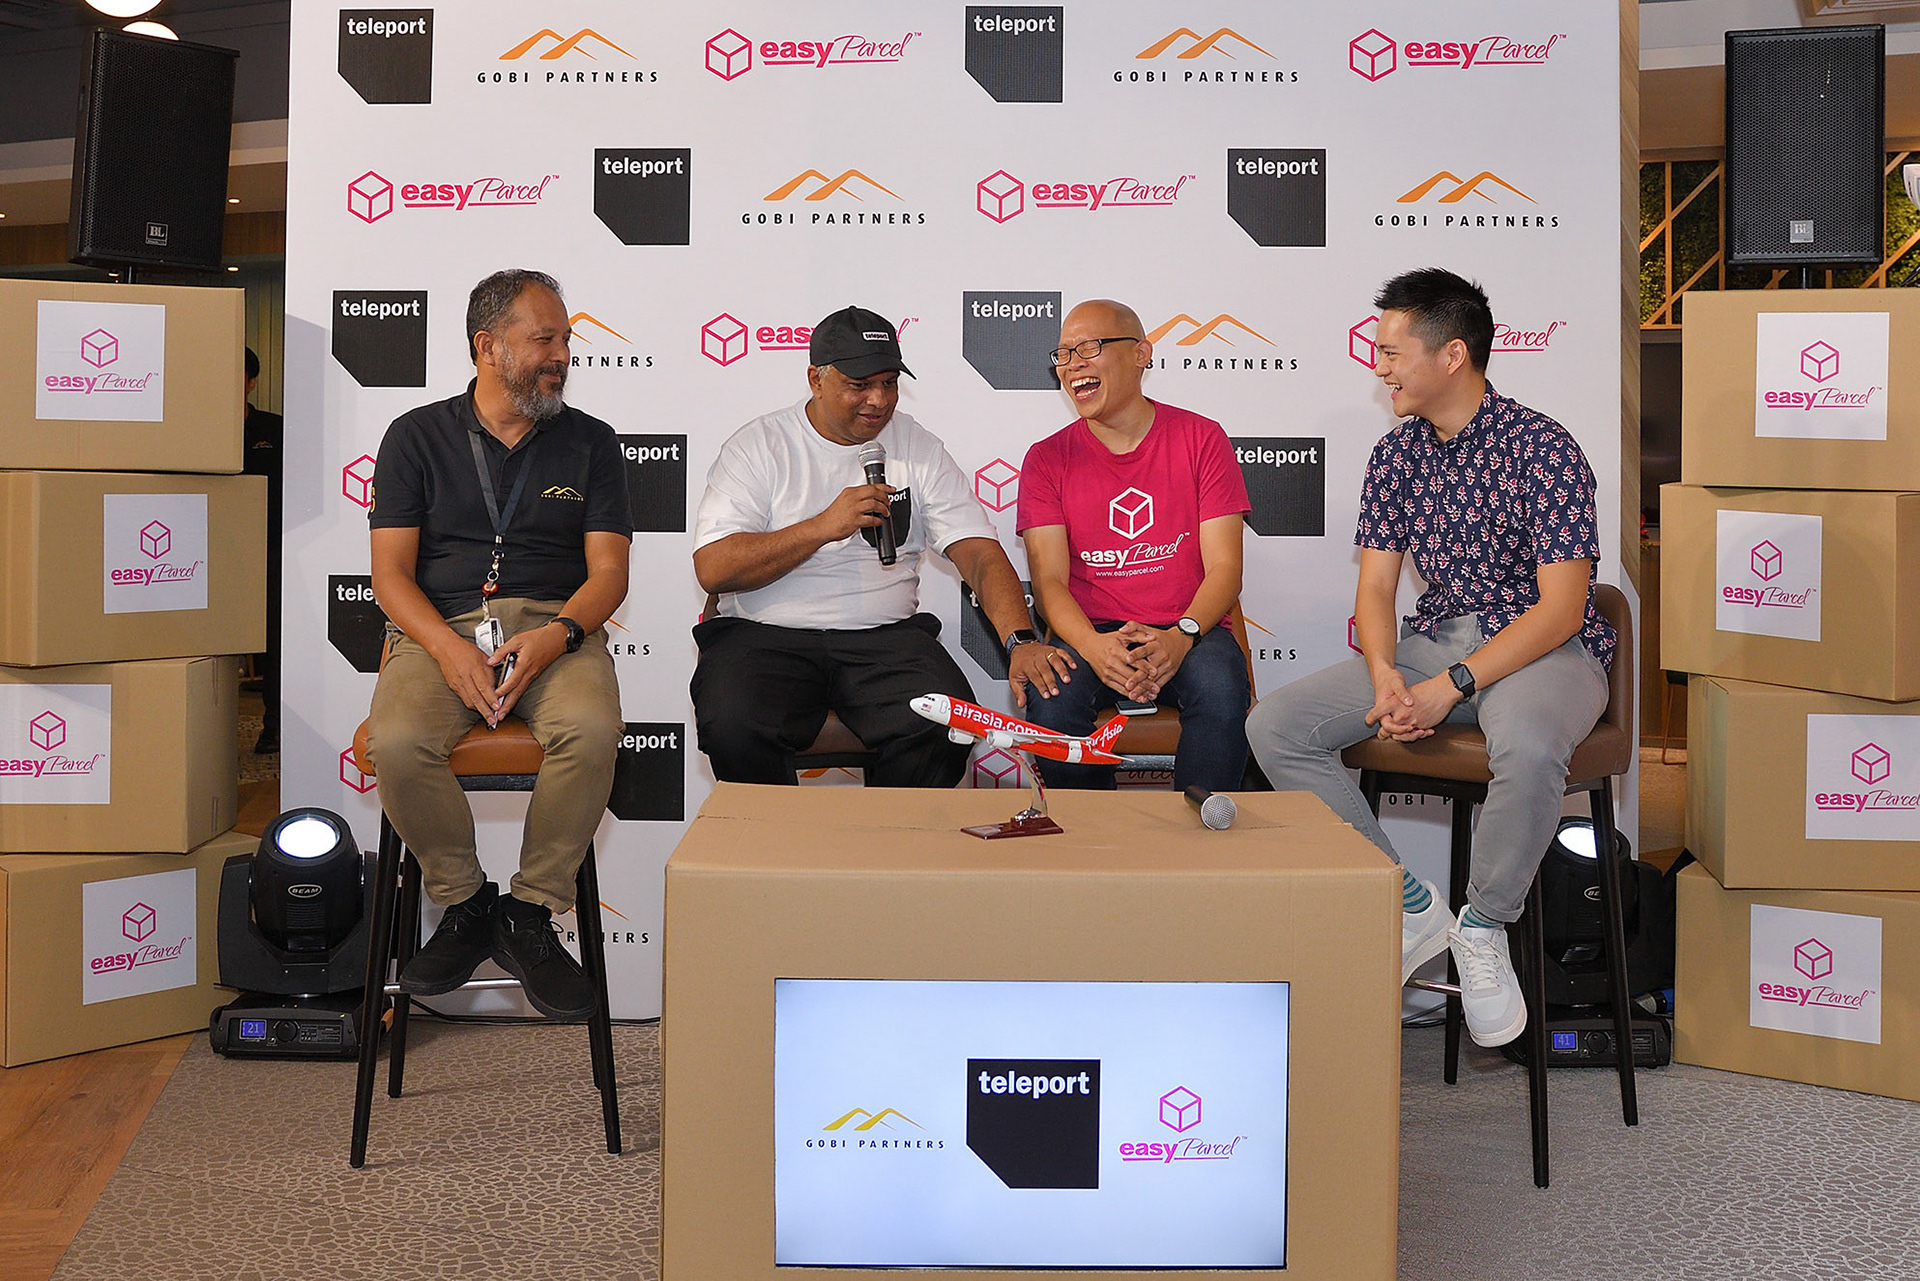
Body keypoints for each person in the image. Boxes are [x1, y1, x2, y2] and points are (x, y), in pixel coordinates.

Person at [1246, 267, 1616, 1048]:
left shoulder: (1544, 447)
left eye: (1391, 351)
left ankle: (1483, 927)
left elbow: (1561, 609)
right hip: (1436, 640)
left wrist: (1451, 686)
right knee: (1275, 724)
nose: (1379, 366)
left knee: (1527, 745)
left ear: (1453, 354)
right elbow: (1376, 588)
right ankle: (1409, 905)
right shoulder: (1395, 454)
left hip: (1543, 648)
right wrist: (1386, 671)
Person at [365, 269, 632, 1019]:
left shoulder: (593, 442)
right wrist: (447, 650)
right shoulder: (415, 436)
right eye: (545, 339)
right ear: (488, 346)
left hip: (557, 627)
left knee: (591, 730)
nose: (562, 355)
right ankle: (465, 901)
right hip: (440, 627)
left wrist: (556, 636)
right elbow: (389, 575)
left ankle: (529, 912)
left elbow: (609, 574)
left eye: (566, 340)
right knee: (398, 741)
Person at [691, 305, 1052, 787]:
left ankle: (892, 836)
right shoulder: (759, 445)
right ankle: (774, 836)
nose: (878, 400)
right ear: (816, 380)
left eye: (889, 383)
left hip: (885, 639)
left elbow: (980, 554)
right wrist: (822, 526)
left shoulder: (918, 446)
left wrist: (1021, 641)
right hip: (764, 637)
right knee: (733, 723)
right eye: (859, 385)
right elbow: (714, 568)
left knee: (945, 725)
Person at [1013, 299, 1250, 793]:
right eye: (1063, 354)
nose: (1072, 365)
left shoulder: (1201, 439)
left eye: (1089, 348)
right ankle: (1093, 833)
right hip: (1091, 631)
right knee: (1052, 700)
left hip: (1190, 626)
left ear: (1141, 354)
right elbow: (1049, 581)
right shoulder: (1046, 459)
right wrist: (1094, 648)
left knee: (1220, 688)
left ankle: (1200, 830)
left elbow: (1226, 568)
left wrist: (1181, 637)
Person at [243, 347, 284, 755]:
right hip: (204, 555)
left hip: (272, 552)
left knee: (274, 642)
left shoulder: (276, 430)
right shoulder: (193, 433)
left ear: (251, 382)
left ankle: (273, 726)